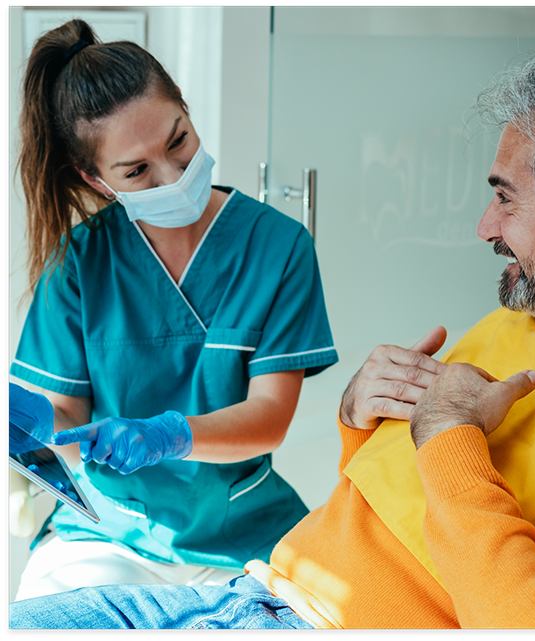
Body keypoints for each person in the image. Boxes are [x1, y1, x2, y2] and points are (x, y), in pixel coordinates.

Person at [10, 42, 535, 629]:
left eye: (506, 199)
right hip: (264, 587)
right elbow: (383, 505)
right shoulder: (521, 316)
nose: (484, 226)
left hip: (283, 593)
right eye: (137, 170)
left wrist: (448, 435)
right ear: (96, 180)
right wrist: (358, 421)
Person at [9, 19, 338, 600]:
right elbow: (62, 415)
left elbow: (270, 418)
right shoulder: (80, 263)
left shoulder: (280, 247)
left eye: (178, 139)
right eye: (136, 170)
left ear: (186, 109)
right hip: (109, 534)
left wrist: (170, 434)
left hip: (244, 532)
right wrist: (33, 428)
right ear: (96, 179)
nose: (174, 174)